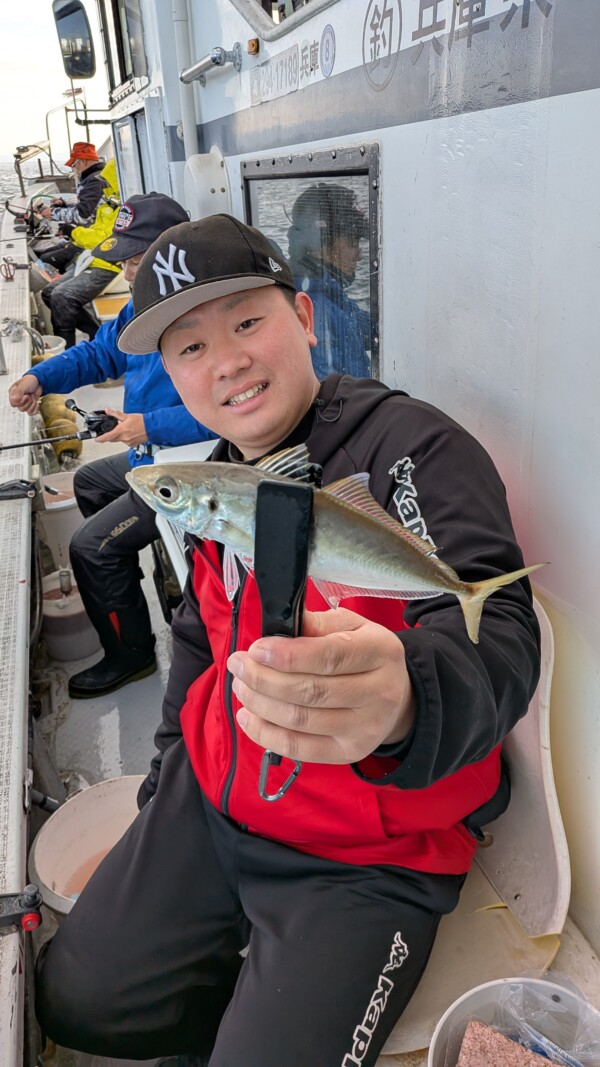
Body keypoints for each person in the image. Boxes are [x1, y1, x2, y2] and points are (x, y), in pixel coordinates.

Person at [34, 214, 541, 1066]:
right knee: (75, 999)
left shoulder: (411, 448)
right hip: (213, 796)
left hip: (363, 856)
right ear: (169, 374)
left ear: (304, 319)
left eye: (245, 321)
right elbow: (196, 650)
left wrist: (405, 697)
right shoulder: (213, 483)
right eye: (188, 348)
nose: (225, 360)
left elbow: (501, 635)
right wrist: (164, 784)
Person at [9, 194, 217, 700]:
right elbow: (100, 354)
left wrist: (151, 426)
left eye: (136, 259)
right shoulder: (139, 307)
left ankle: (132, 655)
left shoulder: (205, 316)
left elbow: (231, 408)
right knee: (89, 479)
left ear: (174, 255)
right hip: (153, 453)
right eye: (123, 259)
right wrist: (40, 377)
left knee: (91, 547)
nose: (126, 270)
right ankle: (162, 573)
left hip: (198, 469)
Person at [287, 182, 372, 379]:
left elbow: (360, 324)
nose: (359, 255)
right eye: (352, 243)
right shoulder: (318, 309)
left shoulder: (323, 291)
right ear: (318, 246)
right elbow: (337, 401)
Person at [38, 156, 121, 348]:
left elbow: (104, 240)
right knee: (49, 293)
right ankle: (96, 335)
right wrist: (73, 234)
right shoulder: (110, 205)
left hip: (109, 264)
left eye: (107, 181)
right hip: (93, 258)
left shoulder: (123, 208)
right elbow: (96, 232)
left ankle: (67, 352)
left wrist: (72, 231)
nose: (104, 185)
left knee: (62, 296)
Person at [36, 141, 109, 275]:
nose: (74, 168)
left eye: (74, 164)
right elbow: (91, 208)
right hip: (90, 232)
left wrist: (53, 213)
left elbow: (82, 215)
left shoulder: (94, 181)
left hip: (94, 238)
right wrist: (64, 206)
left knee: (46, 258)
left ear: (83, 161)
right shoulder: (97, 177)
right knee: (46, 254)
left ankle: (55, 283)